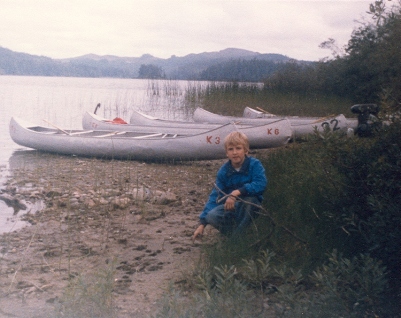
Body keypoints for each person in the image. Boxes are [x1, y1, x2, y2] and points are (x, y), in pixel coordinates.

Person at [192, 131, 267, 241]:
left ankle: (235, 241)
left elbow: (261, 184)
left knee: (250, 201)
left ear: (246, 150)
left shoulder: (255, 164)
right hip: (232, 208)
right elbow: (215, 197)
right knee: (211, 216)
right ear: (226, 153)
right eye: (230, 149)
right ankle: (235, 235)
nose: (234, 152)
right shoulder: (224, 171)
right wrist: (202, 224)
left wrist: (237, 192)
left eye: (238, 148)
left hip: (251, 205)